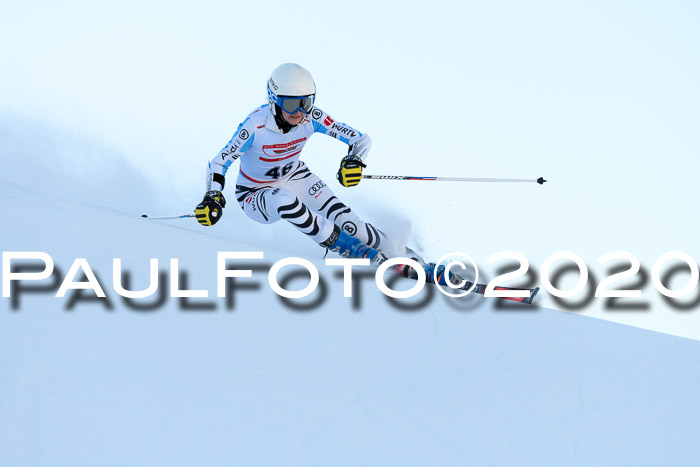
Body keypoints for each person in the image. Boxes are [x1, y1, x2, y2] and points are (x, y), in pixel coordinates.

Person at [194, 63, 395, 264]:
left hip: (297, 177)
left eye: (305, 103)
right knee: (284, 199)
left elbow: (360, 140)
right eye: (291, 104)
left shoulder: (312, 117)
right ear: (274, 100)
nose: (299, 112)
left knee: (353, 226)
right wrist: (213, 195)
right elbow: (219, 162)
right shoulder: (255, 126)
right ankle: (349, 249)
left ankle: (404, 255)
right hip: (254, 192)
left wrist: (353, 160)